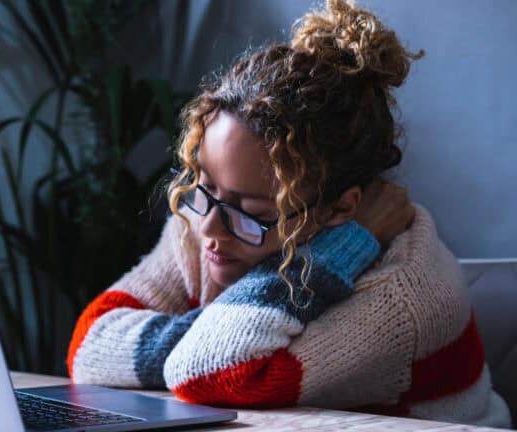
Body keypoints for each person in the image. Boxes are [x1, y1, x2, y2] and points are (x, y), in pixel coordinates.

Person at [65, 0, 511, 427]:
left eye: (252, 212)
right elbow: (88, 346)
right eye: (203, 188)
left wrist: (347, 245)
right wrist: (200, 328)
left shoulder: (402, 293)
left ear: (340, 209)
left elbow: (208, 369)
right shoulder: (208, 221)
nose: (208, 230)